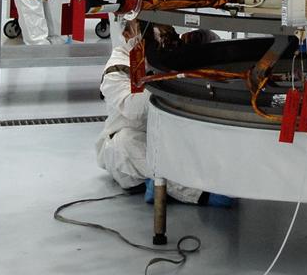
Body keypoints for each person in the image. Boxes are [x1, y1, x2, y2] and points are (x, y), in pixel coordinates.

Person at [96, 31, 234, 207]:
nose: (162, 37)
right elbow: (134, 109)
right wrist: (170, 81)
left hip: (176, 137)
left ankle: (165, 183)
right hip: (134, 145)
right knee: (125, 143)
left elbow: (217, 49)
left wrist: (201, 40)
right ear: (127, 31)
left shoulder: (179, 46)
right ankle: (196, 193)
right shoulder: (118, 64)